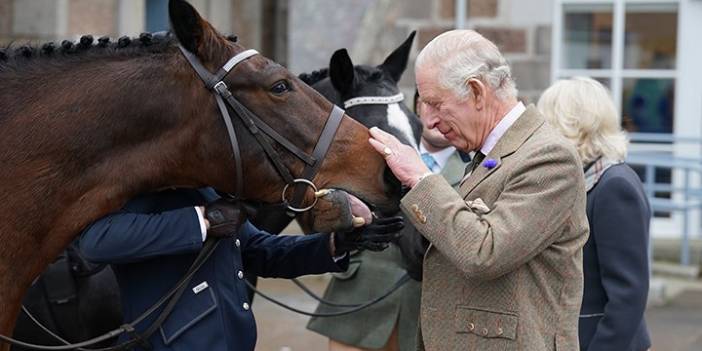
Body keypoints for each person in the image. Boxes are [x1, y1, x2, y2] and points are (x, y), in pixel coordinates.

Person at [367, 29, 589, 350]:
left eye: (435, 104)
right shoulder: (489, 152)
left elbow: (484, 253)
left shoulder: (549, 157)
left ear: (477, 92)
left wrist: (420, 177)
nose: (427, 121)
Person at [78, 187, 403, 351]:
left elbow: (260, 250)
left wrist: (336, 244)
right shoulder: (144, 184)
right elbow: (96, 241)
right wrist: (204, 220)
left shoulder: (205, 187)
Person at [306, 92, 468, 351]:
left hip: (423, 316)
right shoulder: (376, 151)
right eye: (431, 105)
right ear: (417, 106)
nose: (437, 116)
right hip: (358, 302)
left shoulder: (474, 170)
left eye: (447, 107)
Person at [538, 77, 652, 351]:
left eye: (545, 122)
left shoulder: (614, 185)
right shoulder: (583, 178)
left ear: (570, 125)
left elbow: (628, 293)